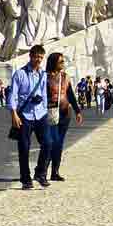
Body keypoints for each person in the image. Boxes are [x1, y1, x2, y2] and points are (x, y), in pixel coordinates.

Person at [8, 44, 50, 189]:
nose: (39, 60)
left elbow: (44, 93)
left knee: (48, 143)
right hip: (24, 115)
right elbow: (12, 95)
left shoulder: (43, 75)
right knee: (24, 148)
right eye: (36, 57)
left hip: (40, 114)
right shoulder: (20, 74)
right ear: (30, 56)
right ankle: (25, 179)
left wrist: (45, 108)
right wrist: (14, 114)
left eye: (41, 57)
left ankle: (40, 173)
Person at [45, 51, 83, 181]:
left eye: (63, 62)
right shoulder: (45, 77)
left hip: (65, 113)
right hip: (51, 113)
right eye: (60, 61)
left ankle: (55, 172)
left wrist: (78, 111)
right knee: (51, 142)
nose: (63, 64)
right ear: (53, 62)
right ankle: (42, 170)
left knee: (59, 143)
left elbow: (70, 95)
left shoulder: (65, 77)